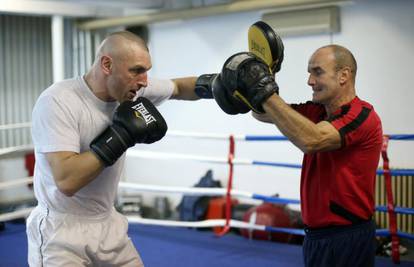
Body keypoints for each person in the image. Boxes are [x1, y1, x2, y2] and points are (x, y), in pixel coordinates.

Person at [26, 31, 202, 267]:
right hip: (60, 231)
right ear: (107, 64)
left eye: (146, 70)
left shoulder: (132, 90)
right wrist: (121, 135)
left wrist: (223, 84)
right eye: (136, 70)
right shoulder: (58, 101)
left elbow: (180, 87)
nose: (144, 81)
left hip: (108, 223)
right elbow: (67, 180)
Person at [205, 45, 383, 266]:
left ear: (344, 75)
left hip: (347, 236)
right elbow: (262, 113)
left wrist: (263, 88)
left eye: (317, 72)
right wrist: (268, 74)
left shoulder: (363, 116)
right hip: (315, 237)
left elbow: (312, 140)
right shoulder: (316, 111)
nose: (310, 80)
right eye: (309, 72)